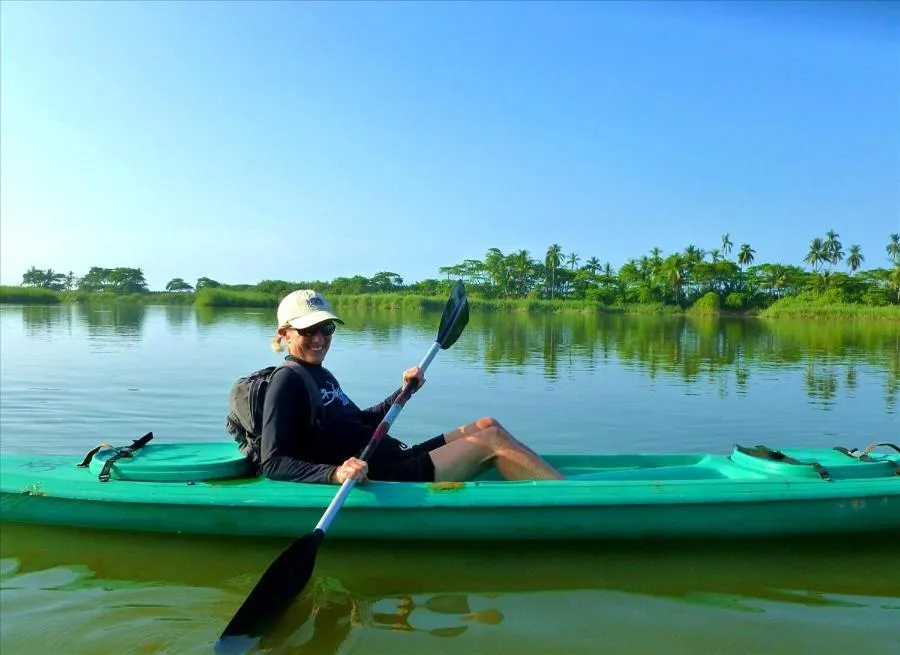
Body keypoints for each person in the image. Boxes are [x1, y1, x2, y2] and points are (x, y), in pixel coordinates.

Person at [260, 289, 565, 485]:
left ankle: (547, 480)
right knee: (492, 440)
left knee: (487, 425)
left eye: (326, 328)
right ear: (284, 333)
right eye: (308, 330)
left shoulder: (319, 374)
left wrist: (403, 391)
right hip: (385, 476)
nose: (319, 338)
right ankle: (568, 499)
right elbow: (272, 462)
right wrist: (334, 473)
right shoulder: (287, 380)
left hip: (395, 456)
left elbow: (360, 422)